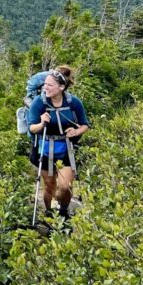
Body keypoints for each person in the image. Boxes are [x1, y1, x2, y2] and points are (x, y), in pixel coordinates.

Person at [28, 65, 89, 218]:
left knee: (65, 187)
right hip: (44, 147)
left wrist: (76, 131)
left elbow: (85, 125)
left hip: (66, 148)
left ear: (61, 87)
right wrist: (41, 124)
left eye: (49, 85)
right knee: (49, 186)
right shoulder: (38, 103)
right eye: (45, 84)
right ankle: (49, 214)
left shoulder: (73, 102)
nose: (45, 88)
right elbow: (32, 128)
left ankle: (63, 212)